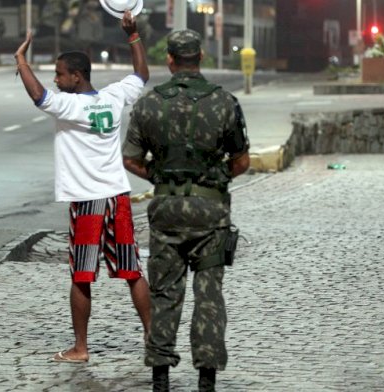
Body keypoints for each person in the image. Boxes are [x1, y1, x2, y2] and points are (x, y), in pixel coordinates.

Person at [13, 11, 151, 363]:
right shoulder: (114, 96)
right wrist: (132, 35)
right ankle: (154, 337)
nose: (56, 79)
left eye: (60, 74)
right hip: (117, 196)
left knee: (81, 274)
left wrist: (21, 60)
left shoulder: (69, 106)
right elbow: (140, 75)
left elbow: (38, 96)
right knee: (132, 270)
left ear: (77, 77)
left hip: (88, 202)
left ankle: (80, 347)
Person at [122, 29, 250, 392]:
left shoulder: (149, 104)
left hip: (166, 213)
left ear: (171, 60)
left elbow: (131, 160)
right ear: (201, 58)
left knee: (165, 294)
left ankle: (160, 376)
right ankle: (206, 378)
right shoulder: (224, 102)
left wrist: (161, 177)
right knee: (209, 297)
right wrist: (214, 178)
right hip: (210, 213)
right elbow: (241, 161)